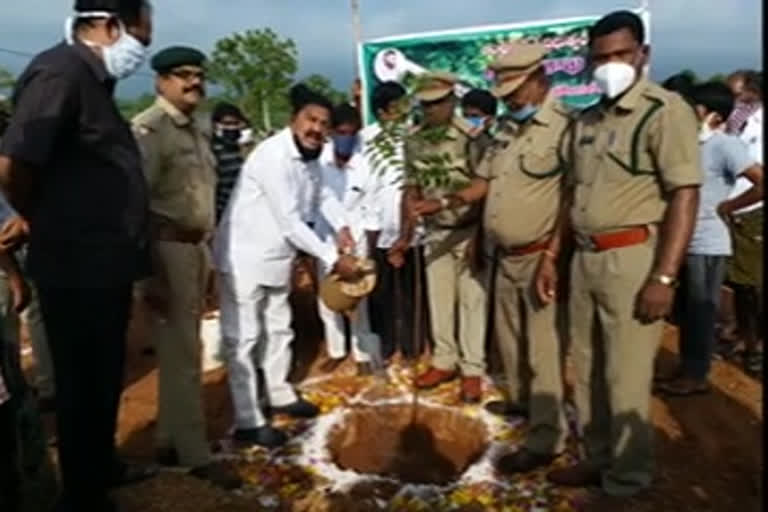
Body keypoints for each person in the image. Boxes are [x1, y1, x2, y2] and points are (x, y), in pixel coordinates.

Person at [0, 1, 157, 510]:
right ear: (112, 26)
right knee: (80, 381)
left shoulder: (92, 80)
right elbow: (12, 162)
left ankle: (100, 465)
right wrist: (36, 216)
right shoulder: (60, 72)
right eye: (141, 37)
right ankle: (83, 493)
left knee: (103, 373)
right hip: (75, 263)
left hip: (103, 262)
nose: (140, 53)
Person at [540, 11, 702, 497]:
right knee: (587, 369)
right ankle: (599, 457)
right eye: (601, 57)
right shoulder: (588, 118)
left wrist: (666, 276)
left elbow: (685, 194)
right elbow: (572, 195)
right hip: (585, 258)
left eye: (621, 54)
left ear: (643, 55)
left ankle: (627, 479)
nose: (611, 64)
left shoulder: (663, 111)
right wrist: (554, 256)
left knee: (625, 374)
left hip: (633, 258)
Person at [419, 44, 571, 472]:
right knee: (511, 342)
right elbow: (484, 183)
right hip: (502, 254)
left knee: (543, 350)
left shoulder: (565, 129)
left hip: (540, 256)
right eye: (503, 93)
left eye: (515, 92)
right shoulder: (504, 130)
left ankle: (546, 439)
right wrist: (447, 201)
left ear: (540, 80)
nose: (508, 100)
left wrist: (553, 255)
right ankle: (523, 405)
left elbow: (570, 199)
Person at [214, 84, 360, 448]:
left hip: (277, 258)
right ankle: (248, 419)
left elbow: (323, 195)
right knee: (244, 338)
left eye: (323, 123)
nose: (317, 129)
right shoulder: (272, 157)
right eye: (311, 120)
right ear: (293, 120)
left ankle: (280, 394)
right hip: (244, 257)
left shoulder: (313, 155)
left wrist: (341, 226)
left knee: (280, 328)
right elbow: (291, 221)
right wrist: (332, 258)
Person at [132, 46, 241, 489]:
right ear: (160, 81)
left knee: (183, 350)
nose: (193, 82)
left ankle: (167, 436)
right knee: (184, 356)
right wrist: (148, 273)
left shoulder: (195, 130)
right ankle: (194, 453)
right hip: (166, 250)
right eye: (182, 75)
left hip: (195, 249)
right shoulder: (148, 130)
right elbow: (136, 207)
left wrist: (209, 262)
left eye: (198, 75)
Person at [388, 71, 492, 403]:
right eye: (425, 104)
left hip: (469, 230)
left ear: (452, 101)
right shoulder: (414, 140)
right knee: (439, 301)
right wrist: (405, 236)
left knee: (472, 301)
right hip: (435, 233)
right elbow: (411, 191)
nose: (431, 110)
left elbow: (485, 188)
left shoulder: (472, 138)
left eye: (437, 103)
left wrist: (480, 235)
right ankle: (445, 361)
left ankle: (472, 369)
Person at [656, 82, 763, 395]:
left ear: (713, 116)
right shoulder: (690, 146)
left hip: (707, 241)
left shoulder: (724, 146)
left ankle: (696, 374)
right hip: (683, 241)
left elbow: (760, 181)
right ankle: (687, 367)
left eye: (693, 111)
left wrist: (728, 206)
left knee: (702, 310)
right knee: (686, 311)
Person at [316, 103, 382, 375]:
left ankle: (361, 351)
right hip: (325, 238)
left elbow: (372, 203)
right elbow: (317, 200)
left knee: (358, 297)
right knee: (328, 296)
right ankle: (335, 349)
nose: (346, 137)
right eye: (341, 132)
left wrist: (364, 242)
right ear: (331, 133)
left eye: (352, 132)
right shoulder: (318, 162)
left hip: (357, 239)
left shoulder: (364, 165)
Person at [364, 81, 423, 363]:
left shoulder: (416, 137)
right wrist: (372, 230)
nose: (404, 111)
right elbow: (365, 188)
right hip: (377, 228)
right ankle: (385, 347)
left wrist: (408, 231)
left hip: (413, 228)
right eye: (398, 106)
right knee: (380, 293)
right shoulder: (366, 140)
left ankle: (413, 346)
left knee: (412, 292)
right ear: (383, 111)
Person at [723, 71, 763, 374]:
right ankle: (744, 336)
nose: (733, 101)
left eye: (736, 94)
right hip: (735, 209)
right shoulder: (736, 123)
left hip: (751, 209)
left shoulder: (759, 126)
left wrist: (732, 205)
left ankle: (755, 346)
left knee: (752, 285)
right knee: (740, 282)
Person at [211, 102, 250, 224]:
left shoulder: (239, 150)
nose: (232, 128)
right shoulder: (212, 150)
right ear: (216, 125)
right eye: (227, 124)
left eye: (235, 123)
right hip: (218, 215)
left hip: (239, 212)